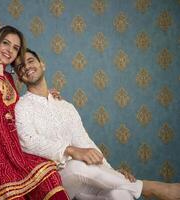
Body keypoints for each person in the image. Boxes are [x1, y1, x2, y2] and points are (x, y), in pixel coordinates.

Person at [14, 48, 180, 200]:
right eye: (21, 66)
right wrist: (69, 150)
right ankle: (148, 188)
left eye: (30, 61)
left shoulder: (65, 106)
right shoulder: (22, 106)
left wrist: (110, 171)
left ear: (42, 65)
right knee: (77, 165)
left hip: (84, 180)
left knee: (119, 193)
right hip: (53, 179)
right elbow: (27, 141)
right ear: (19, 76)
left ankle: (128, 186)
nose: (27, 67)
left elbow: (85, 142)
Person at [0, 26, 70, 200]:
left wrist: (44, 95)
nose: (10, 50)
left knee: (48, 176)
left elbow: (13, 109)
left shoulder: (8, 77)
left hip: (11, 149)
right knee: (10, 195)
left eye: (15, 48)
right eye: (6, 43)